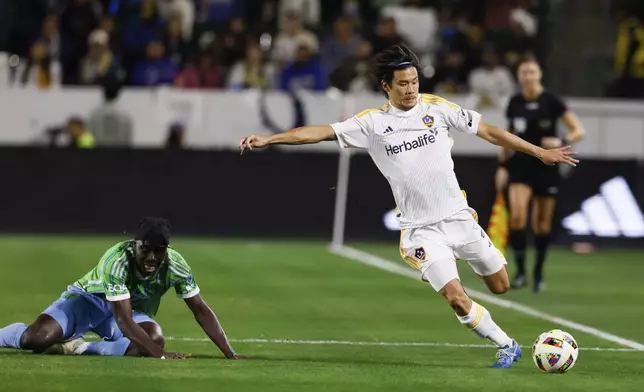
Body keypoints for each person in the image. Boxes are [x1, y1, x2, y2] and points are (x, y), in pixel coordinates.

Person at [239, 45, 578, 368]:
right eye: (403, 84)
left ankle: (485, 283)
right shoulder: (371, 124)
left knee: (500, 285)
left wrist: (538, 151)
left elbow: (488, 131)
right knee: (457, 298)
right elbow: (318, 132)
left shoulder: (437, 108)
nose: (411, 89)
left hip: (459, 219)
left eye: (414, 81)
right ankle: (507, 345)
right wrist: (271, 139)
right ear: (387, 86)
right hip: (421, 232)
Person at [0, 217, 239, 360]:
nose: (152, 257)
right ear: (134, 244)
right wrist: (160, 355)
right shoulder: (116, 260)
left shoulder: (176, 264)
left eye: (159, 250)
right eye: (146, 249)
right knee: (37, 338)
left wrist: (230, 354)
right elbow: (124, 321)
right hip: (87, 302)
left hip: (128, 311)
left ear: (167, 249)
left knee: (152, 339)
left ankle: (79, 347)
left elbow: (201, 310)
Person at [497, 58, 585, 293]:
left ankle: (538, 273)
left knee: (541, 223)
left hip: (546, 166)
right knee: (516, 216)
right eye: (524, 72)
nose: (528, 76)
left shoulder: (552, 101)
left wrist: (562, 141)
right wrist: (502, 165)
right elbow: (508, 136)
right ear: (519, 77)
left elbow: (578, 130)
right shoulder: (515, 102)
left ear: (539, 75)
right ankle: (520, 272)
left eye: (532, 72)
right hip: (520, 165)